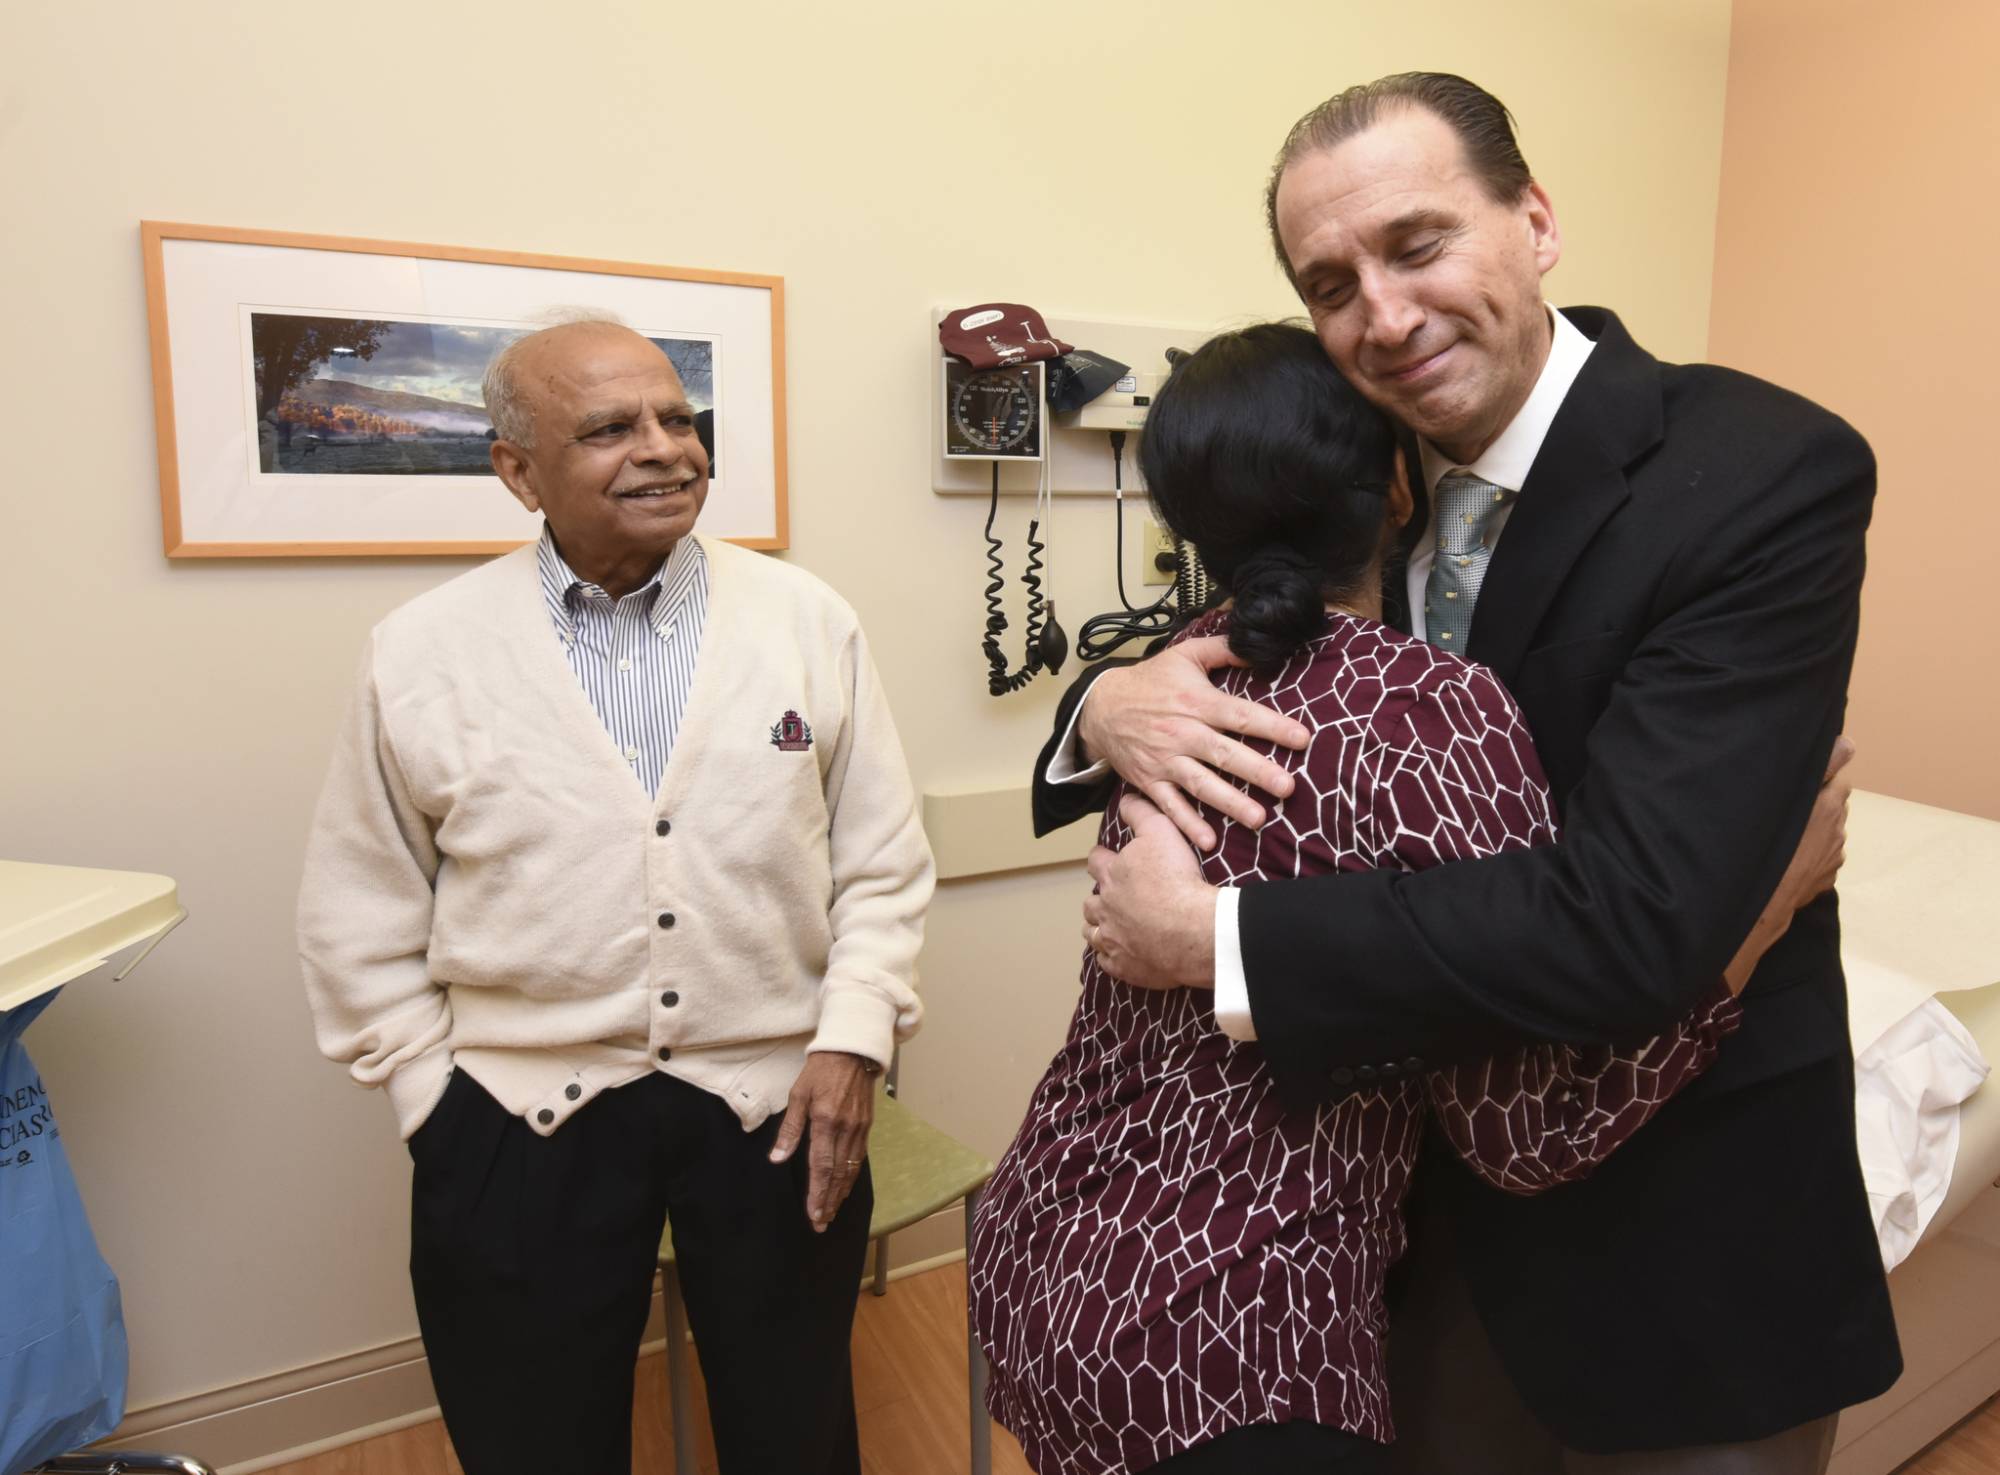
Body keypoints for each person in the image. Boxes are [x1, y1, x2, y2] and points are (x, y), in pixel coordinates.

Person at [1033, 74, 1893, 1473]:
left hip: (1680, 1248)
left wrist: (1219, 939)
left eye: (1418, 243)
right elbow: (1232, 663)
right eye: (1331, 282)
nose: (1380, 313)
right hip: (1412, 1248)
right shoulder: (1362, 482)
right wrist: (1108, 707)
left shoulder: (1755, 469)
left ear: (1536, 219)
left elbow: (1633, 918)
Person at [972, 322, 1773, 1475]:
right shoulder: (1429, 715)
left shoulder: (1181, 672)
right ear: (1400, 485)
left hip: (1045, 1252)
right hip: (1231, 1330)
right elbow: (1528, 1132)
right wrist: (1753, 924)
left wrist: (1096, 698)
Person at [297, 318, 933, 1475]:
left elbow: (882, 862)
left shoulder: (805, 620)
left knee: (795, 1433)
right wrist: (430, 1102)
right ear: (516, 469)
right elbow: (358, 906)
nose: (663, 449)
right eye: (608, 428)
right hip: (513, 1109)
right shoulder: (421, 651)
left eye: (676, 418)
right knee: (535, 1441)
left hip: (776, 1102)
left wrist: (852, 1040)